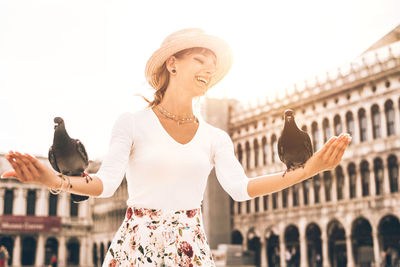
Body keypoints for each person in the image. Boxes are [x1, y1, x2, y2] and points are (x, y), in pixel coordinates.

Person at [1, 28, 352, 267]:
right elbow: (105, 184)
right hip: (137, 246)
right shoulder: (132, 122)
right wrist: (56, 181)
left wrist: (309, 170)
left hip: (191, 247)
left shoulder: (216, 137)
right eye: (200, 59)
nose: (209, 68)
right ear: (173, 63)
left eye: (212, 64)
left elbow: (242, 190)